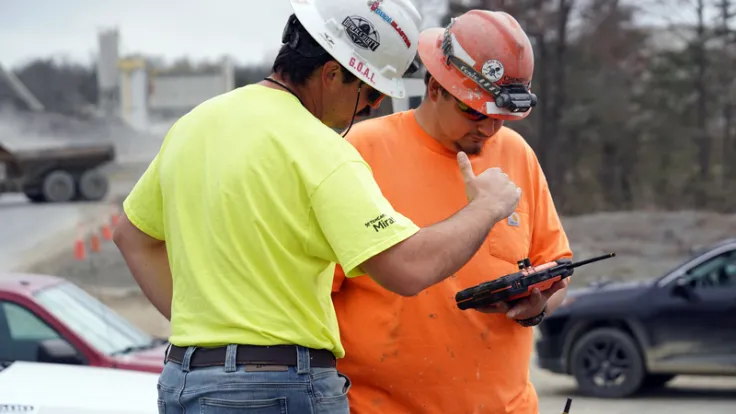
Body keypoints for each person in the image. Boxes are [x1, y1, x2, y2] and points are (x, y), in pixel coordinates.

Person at [112, 1, 523, 413]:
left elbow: (132, 237)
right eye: (372, 91)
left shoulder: (194, 125)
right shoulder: (321, 150)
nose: (373, 106)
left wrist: (206, 330)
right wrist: (484, 208)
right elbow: (408, 268)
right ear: (331, 74)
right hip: (275, 387)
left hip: (186, 380)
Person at [330, 10, 574, 414]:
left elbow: (556, 269)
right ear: (435, 87)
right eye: (475, 112)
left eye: (500, 116)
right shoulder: (360, 151)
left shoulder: (517, 155)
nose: (489, 129)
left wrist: (538, 305)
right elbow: (319, 292)